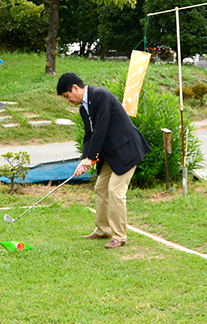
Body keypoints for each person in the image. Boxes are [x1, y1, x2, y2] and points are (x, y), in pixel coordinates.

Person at [57, 73, 150, 249]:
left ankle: (120, 236)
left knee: (115, 191)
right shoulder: (84, 108)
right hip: (110, 154)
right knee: (101, 188)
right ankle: (102, 229)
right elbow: (89, 135)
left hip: (126, 151)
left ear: (75, 88)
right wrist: (85, 159)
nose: (68, 100)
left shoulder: (101, 96)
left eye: (67, 96)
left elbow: (101, 129)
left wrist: (90, 158)